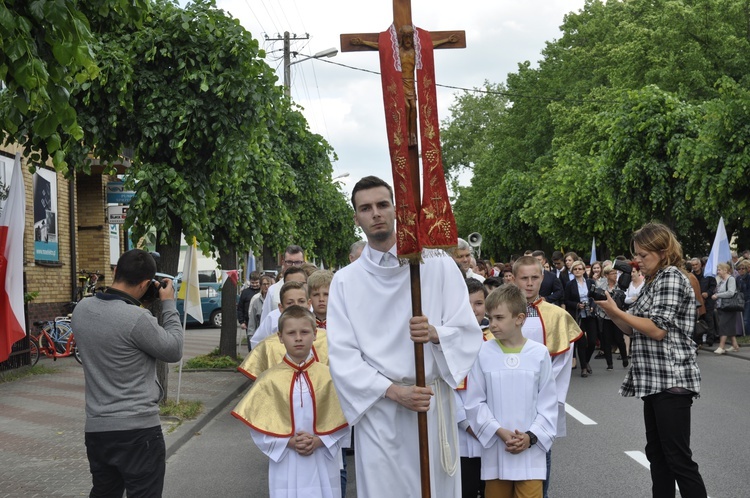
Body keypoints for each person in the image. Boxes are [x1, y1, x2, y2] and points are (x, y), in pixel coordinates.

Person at [327, 176, 483, 498]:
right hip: (381, 410)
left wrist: (436, 334)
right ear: (356, 218)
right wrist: (394, 392)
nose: (376, 213)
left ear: (396, 210)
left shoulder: (437, 264)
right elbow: (342, 356)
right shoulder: (345, 282)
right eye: (366, 208)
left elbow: (468, 331)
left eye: (382, 205)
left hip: (430, 403)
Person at [597, 223, 706, 498]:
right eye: (636, 256)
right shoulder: (653, 281)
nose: (639, 262)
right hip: (654, 381)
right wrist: (612, 312)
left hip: (671, 379)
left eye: (644, 256)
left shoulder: (671, 276)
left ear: (664, 250)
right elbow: (632, 328)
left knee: (678, 461)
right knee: (658, 459)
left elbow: (657, 329)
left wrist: (617, 312)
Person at [72, 249, 183, 497]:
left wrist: (140, 301)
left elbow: (115, 323)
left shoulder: (81, 310)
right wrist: (167, 303)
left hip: (98, 430)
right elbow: (174, 349)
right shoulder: (137, 319)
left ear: (115, 271)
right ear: (145, 284)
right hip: (138, 431)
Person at [232, 306, 349, 498]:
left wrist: (321, 441)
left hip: (322, 458)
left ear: (315, 335)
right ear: (280, 337)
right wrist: (289, 442)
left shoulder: (329, 377)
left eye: (304, 332)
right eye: (291, 333)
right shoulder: (269, 379)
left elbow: (344, 420)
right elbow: (259, 428)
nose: (298, 338)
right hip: (286, 459)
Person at [465, 284, 557, 498]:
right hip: (497, 451)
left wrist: (530, 437)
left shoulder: (539, 353)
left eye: (499, 318)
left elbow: (549, 404)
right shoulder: (483, 352)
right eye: (490, 318)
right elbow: (475, 402)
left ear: (519, 319)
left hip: (530, 454)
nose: (492, 324)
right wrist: (499, 431)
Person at [512, 255, 581, 498]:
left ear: (542, 278)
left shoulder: (557, 316)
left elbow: (561, 363)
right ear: (513, 279)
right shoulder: (502, 313)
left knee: (539, 452)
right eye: (524, 278)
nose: (529, 283)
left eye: (534, 278)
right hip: (507, 396)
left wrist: (545, 395)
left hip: (542, 398)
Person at [240, 280, 328, 380]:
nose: (296, 306)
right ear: (281, 308)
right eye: (290, 303)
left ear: (309, 304)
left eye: (301, 301)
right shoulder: (268, 345)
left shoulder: (327, 340)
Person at [455, 278, 493, 498]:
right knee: (465, 490)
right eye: (466, 303)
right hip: (461, 432)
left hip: (493, 431)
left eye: (478, 303)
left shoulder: (496, 339)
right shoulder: (447, 340)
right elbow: (447, 389)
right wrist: (466, 424)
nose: (472, 309)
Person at [251, 266, 308, 348]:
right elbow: (258, 345)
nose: (296, 287)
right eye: (291, 284)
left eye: (301, 284)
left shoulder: (315, 315)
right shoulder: (272, 318)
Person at [564, 260, 598, 377]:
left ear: (584, 270)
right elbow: (566, 300)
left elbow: (595, 298)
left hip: (590, 315)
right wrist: (577, 305)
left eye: (580, 269)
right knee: (581, 342)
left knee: (592, 341)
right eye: (575, 269)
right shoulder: (570, 284)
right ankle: (583, 367)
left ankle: (587, 361)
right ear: (572, 271)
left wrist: (592, 306)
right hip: (578, 315)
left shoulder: (590, 282)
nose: (577, 271)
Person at [260, 244, 306, 323]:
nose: (293, 266)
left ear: (303, 263)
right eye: (289, 262)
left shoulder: (309, 289)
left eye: (297, 262)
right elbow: (265, 322)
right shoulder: (273, 291)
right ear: (283, 263)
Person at [596, 265, 629, 370]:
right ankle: (609, 363)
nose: (615, 275)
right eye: (613, 273)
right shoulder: (601, 285)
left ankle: (624, 357)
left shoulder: (621, 286)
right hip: (605, 316)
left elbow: (624, 299)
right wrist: (606, 309)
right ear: (606, 275)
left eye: (616, 273)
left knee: (619, 338)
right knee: (606, 339)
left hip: (618, 316)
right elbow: (597, 301)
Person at [712, 262, 742, 354]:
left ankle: (721, 346)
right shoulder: (722, 280)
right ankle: (735, 345)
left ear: (725, 270)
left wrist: (717, 295)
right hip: (722, 306)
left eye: (719, 270)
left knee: (723, 325)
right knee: (729, 326)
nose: (718, 272)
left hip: (729, 306)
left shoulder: (731, 279)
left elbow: (731, 292)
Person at [247, 275, 273, 348]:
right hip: (260, 337)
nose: (266, 286)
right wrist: (251, 338)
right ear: (261, 286)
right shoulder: (256, 302)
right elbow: (252, 322)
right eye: (264, 284)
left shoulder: (275, 301)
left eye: (268, 284)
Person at [237, 271, 261, 343]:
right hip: (249, 322)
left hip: (261, 321)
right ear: (250, 281)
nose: (255, 285)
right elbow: (240, 308)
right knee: (251, 343)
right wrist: (241, 322)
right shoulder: (245, 292)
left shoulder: (263, 291)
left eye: (257, 283)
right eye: (252, 283)